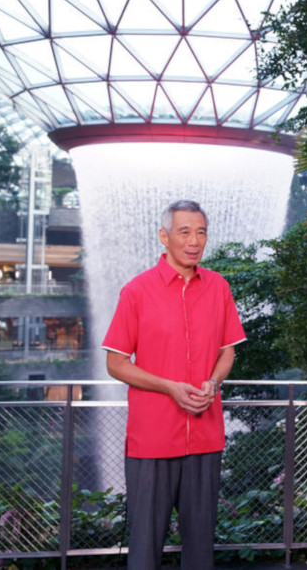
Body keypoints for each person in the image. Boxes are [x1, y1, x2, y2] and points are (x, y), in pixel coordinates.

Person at [103, 199, 245, 569]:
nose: (194, 240)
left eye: (201, 232)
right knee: (145, 547)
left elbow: (227, 352)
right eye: (184, 232)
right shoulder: (136, 291)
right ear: (164, 237)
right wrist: (170, 387)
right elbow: (116, 363)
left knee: (201, 549)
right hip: (151, 439)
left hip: (205, 435)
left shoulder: (218, 287)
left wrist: (213, 382)